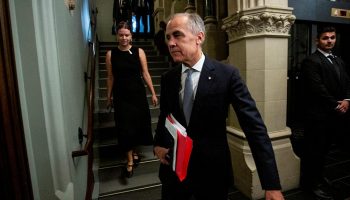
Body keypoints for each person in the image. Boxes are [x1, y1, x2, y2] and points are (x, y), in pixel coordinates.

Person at [153, 13, 284, 200]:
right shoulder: (169, 78)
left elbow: (255, 128)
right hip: (174, 173)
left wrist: (271, 184)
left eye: (177, 35)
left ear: (199, 37)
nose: (171, 43)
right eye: (168, 37)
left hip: (212, 175)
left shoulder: (227, 75)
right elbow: (165, 115)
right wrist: (159, 143)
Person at [300, 26, 350, 199]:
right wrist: (336, 105)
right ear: (317, 41)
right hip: (318, 117)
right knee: (313, 152)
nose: (329, 41)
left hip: (333, 117)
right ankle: (310, 185)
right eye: (325, 38)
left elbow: (346, 82)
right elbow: (317, 88)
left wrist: (347, 100)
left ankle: (320, 178)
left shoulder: (338, 60)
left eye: (332, 37)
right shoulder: (311, 61)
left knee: (324, 151)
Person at [106, 21, 158, 178]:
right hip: (121, 96)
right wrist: (108, 96)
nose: (124, 38)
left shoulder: (139, 52)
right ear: (117, 36)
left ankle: (134, 152)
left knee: (136, 125)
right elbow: (110, 77)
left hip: (138, 95)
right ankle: (129, 160)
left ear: (131, 36)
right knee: (124, 127)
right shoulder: (111, 54)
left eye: (126, 35)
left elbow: (146, 73)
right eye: (121, 35)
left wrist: (153, 93)